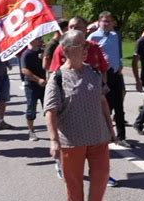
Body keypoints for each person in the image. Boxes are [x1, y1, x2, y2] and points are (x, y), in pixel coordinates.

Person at [44, 29, 116, 201]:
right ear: (66, 50)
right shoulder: (57, 78)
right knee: (74, 180)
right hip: (72, 140)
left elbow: (102, 100)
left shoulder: (93, 72)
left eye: (86, 45)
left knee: (101, 175)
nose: (86, 49)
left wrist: (111, 128)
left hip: (98, 136)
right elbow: (50, 111)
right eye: (81, 45)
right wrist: (54, 140)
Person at [50, 17, 119, 186]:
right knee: (74, 148)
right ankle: (63, 164)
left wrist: (101, 90)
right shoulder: (62, 48)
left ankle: (99, 174)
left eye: (77, 26)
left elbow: (103, 70)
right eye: (71, 26)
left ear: (85, 29)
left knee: (98, 140)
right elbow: (55, 73)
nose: (72, 29)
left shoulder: (95, 47)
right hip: (70, 103)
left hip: (92, 96)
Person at [88, 11, 134, 148]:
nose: (107, 23)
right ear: (99, 22)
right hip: (101, 75)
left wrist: (119, 65)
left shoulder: (115, 35)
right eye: (104, 21)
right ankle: (103, 134)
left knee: (119, 106)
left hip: (115, 74)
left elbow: (117, 53)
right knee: (105, 106)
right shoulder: (93, 36)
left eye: (109, 21)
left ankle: (121, 136)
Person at [21, 37, 46, 141]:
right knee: (31, 109)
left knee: (50, 107)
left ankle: (56, 130)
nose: (41, 40)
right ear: (32, 41)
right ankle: (31, 131)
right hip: (31, 86)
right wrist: (38, 79)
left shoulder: (43, 52)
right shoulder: (26, 54)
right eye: (38, 39)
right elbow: (24, 70)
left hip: (44, 85)